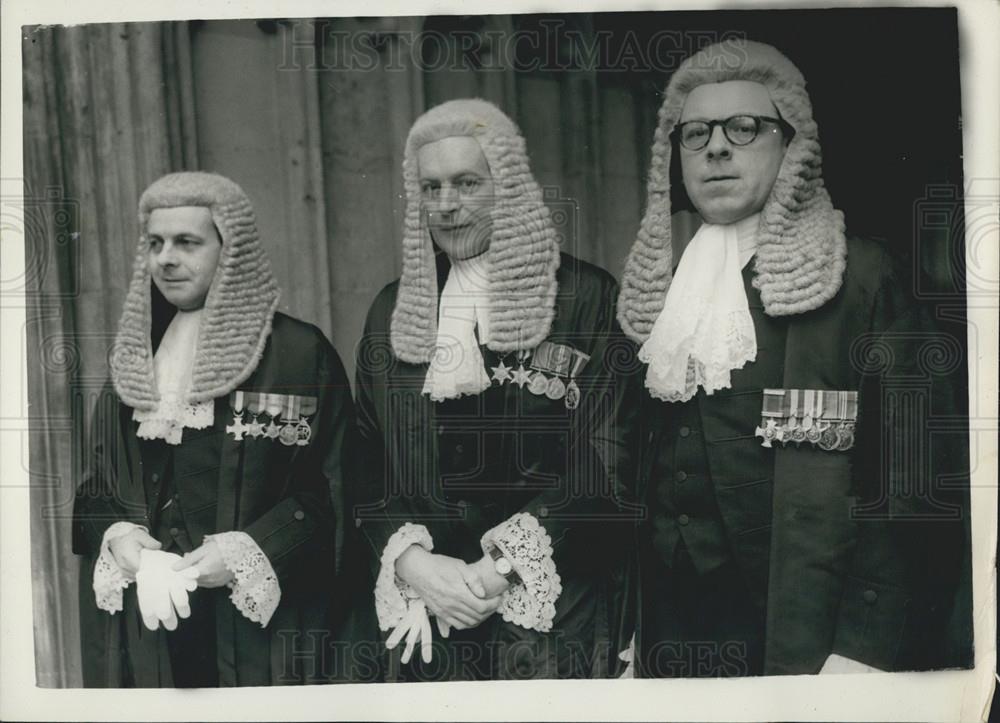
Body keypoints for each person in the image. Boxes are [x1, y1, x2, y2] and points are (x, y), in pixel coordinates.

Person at [617, 39, 971, 677]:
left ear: (790, 148)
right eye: (694, 134)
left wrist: (863, 650)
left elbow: (913, 485)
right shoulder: (658, 291)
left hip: (808, 638)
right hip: (673, 635)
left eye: (744, 128)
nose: (716, 148)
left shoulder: (861, 277)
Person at [353, 99, 638, 681]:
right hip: (430, 617)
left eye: (466, 183)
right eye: (430, 188)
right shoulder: (394, 308)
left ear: (507, 186)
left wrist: (499, 567)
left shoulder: (585, 298)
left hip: (554, 616)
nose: (447, 205)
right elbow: (363, 457)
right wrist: (411, 562)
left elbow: (612, 453)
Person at [72, 171, 360, 687]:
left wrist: (250, 551)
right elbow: (97, 486)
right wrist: (120, 537)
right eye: (155, 243)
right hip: (153, 631)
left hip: (260, 636)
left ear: (232, 251)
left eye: (187, 242)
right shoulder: (135, 356)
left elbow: (336, 493)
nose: (166, 258)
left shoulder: (299, 354)